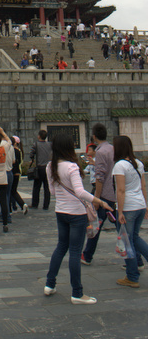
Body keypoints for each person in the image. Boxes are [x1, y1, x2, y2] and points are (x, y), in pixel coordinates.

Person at [45, 132, 112, 304]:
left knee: (61, 247)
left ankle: (50, 284)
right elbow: (80, 192)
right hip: (76, 214)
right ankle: (77, 293)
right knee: (75, 252)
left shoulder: (50, 166)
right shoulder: (72, 167)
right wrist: (100, 202)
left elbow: (53, 192)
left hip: (61, 212)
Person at [112, 135, 148, 288]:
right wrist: (146, 205)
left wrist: (120, 212)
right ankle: (133, 273)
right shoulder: (138, 163)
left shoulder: (120, 165)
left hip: (128, 207)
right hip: (139, 205)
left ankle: (132, 276)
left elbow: (121, 190)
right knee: (135, 237)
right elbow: (143, 186)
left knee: (127, 241)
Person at [81, 123, 115, 266]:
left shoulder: (100, 152)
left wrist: (97, 198)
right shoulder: (112, 148)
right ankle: (135, 258)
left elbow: (100, 177)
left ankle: (87, 255)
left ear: (94, 137)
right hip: (114, 194)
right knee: (122, 227)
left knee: (96, 225)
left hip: (105, 195)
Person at [30, 130, 52, 210]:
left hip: (40, 168)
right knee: (47, 187)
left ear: (39, 136)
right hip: (48, 168)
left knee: (36, 187)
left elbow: (31, 154)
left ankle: (35, 204)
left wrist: (32, 159)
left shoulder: (36, 144)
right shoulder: (50, 144)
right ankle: (46, 205)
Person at [10, 136, 28, 214]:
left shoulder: (10, 150)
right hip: (17, 172)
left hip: (11, 172)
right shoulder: (19, 151)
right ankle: (22, 204)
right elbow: (20, 161)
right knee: (13, 191)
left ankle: (10, 209)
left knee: (9, 191)